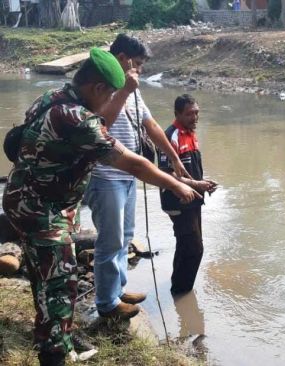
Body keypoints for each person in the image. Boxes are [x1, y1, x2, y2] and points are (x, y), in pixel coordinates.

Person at [2, 48, 199, 366]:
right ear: (97, 89)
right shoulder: (78, 119)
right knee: (60, 284)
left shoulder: (52, 96)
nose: (111, 102)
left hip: (25, 198)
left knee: (44, 277)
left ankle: (59, 333)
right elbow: (130, 163)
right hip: (41, 210)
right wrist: (175, 183)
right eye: (110, 95)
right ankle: (55, 351)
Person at [84, 34, 190, 320]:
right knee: (111, 239)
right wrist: (125, 90)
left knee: (125, 236)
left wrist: (174, 158)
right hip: (105, 175)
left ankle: (117, 290)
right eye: (138, 63)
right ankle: (106, 303)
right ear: (122, 59)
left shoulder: (134, 90)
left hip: (128, 176)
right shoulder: (104, 87)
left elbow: (151, 124)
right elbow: (103, 123)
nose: (140, 70)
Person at [159, 94, 217, 295]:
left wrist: (204, 184)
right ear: (177, 114)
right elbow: (167, 174)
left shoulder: (191, 133)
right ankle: (182, 294)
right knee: (194, 249)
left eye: (196, 113)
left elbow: (191, 168)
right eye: (189, 114)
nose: (195, 118)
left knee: (185, 245)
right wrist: (196, 184)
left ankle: (178, 285)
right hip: (177, 199)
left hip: (193, 199)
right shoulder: (170, 136)